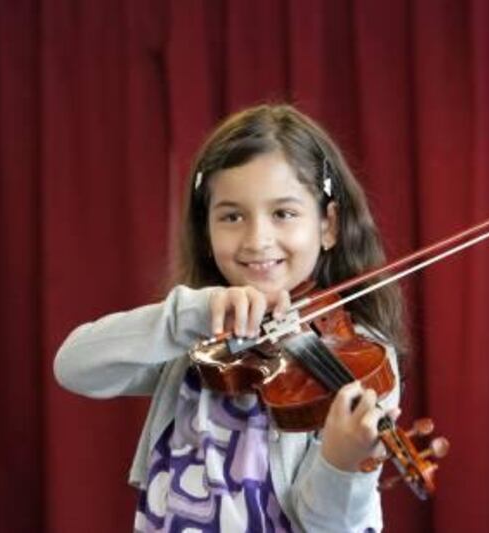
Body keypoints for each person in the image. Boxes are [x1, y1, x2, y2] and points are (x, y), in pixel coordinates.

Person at [54, 104, 406, 532]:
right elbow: (75, 366)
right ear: (206, 230)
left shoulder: (360, 361)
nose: (257, 240)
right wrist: (191, 314)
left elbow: (330, 525)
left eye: (283, 213)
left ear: (328, 225)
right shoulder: (195, 337)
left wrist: (342, 463)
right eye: (232, 216)